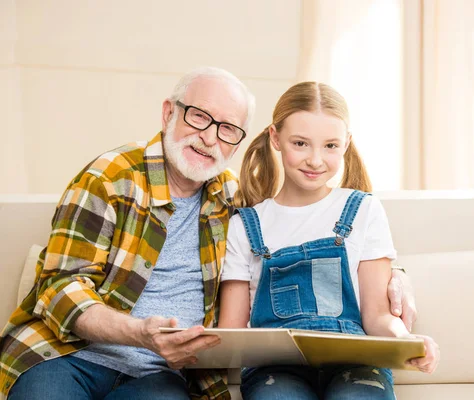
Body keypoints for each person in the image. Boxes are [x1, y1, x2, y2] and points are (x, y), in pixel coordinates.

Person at [0, 68, 418, 400]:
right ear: (169, 112)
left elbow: (306, 234)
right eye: (199, 116)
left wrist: (392, 276)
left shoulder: (231, 197)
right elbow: (57, 288)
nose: (208, 138)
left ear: (238, 142)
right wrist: (139, 333)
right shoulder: (110, 178)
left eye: (227, 129)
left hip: (162, 374)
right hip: (67, 355)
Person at [218, 82, 440, 400]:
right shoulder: (245, 224)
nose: (315, 160)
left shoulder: (363, 209)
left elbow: (377, 315)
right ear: (275, 138)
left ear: (346, 143)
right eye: (301, 143)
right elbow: (232, 332)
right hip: (274, 369)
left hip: (357, 361)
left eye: (330, 146)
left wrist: (406, 339)